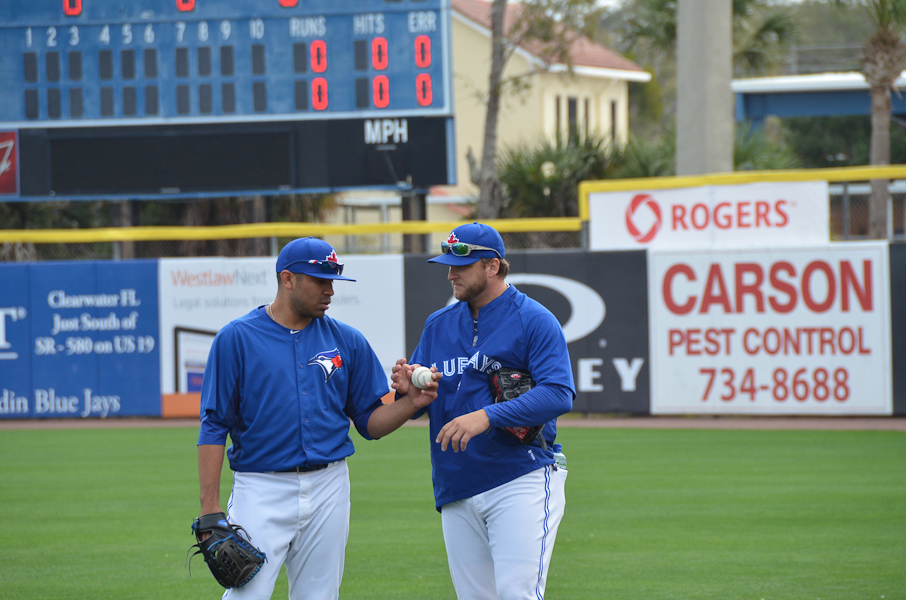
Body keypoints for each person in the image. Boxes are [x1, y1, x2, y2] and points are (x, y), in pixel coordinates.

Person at [197, 237, 437, 600]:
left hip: (330, 486)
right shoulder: (237, 338)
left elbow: (369, 423)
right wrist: (210, 510)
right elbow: (214, 425)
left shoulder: (348, 340)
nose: (329, 291)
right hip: (261, 487)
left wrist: (409, 403)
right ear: (288, 279)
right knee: (247, 595)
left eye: (332, 281)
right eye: (319, 280)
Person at [392, 222, 575, 600]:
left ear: (492, 266)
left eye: (462, 265)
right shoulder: (438, 325)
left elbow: (559, 393)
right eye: (448, 264)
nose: (451, 273)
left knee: (516, 594)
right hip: (456, 483)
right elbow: (412, 405)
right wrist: (409, 393)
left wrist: (488, 415)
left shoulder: (534, 320)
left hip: (519, 476)